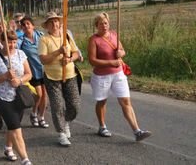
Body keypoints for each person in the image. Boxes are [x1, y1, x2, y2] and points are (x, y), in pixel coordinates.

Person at [88, 12, 152, 141]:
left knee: (125, 101)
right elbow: (92, 61)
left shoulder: (114, 35)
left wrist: (120, 53)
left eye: (106, 23)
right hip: (102, 76)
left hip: (118, 74)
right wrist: (111, 62)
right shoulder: (93, 40)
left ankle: (137, 131)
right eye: (101, 24)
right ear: (96, 25)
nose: (104, 26)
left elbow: (123, 51)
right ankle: (102, 126)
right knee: (102, 101)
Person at [0, 30, 32, 164]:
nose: (12, 45)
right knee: (16, 128)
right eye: (8, 42)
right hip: (2, 97)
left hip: (18, 97)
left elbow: (29, 74)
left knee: (12, 126)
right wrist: (4, 77)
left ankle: (8, 148)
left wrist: (19, 80)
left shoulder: (20, 54)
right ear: (1, 42)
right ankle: (25, 159)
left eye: (14, 42)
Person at [38, 11, 81, 147]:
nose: (54, 24)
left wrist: (69, 59)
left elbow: (75, 53)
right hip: (52, 77)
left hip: (70, 75)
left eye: (56, 21)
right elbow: (43, 59)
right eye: (51, 22)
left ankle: (66, 121)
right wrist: (58, 52)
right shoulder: (44, 39)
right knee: (57, 106)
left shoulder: (66, 36)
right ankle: (61, 133)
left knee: (74, 105)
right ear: (47, 25)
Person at [17, 16, 49, 128]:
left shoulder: (40, 35)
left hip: (44, 69)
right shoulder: (21, 40)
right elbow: (15, 51)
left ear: (32, 25)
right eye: (24, 25)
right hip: (32, 71)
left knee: (45, 94)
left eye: (28, 24)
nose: (26, 26)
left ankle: (42, 117)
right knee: (38, 94)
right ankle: (34, 113)